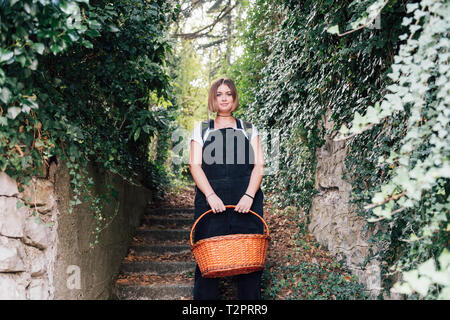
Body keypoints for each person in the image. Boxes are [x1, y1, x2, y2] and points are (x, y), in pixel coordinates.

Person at [189, 77, 265, 300]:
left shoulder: (248, 129)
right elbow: (195, 165)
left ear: (234, 98)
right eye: (219, 94)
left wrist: (249, 196)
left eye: (228, 94)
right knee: (207, 266)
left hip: (246, 203)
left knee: (250, 265)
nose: (224, 98)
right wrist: (211, 195)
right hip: (209, 205)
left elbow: (259, 166)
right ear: (213, 98)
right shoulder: (201, 129)